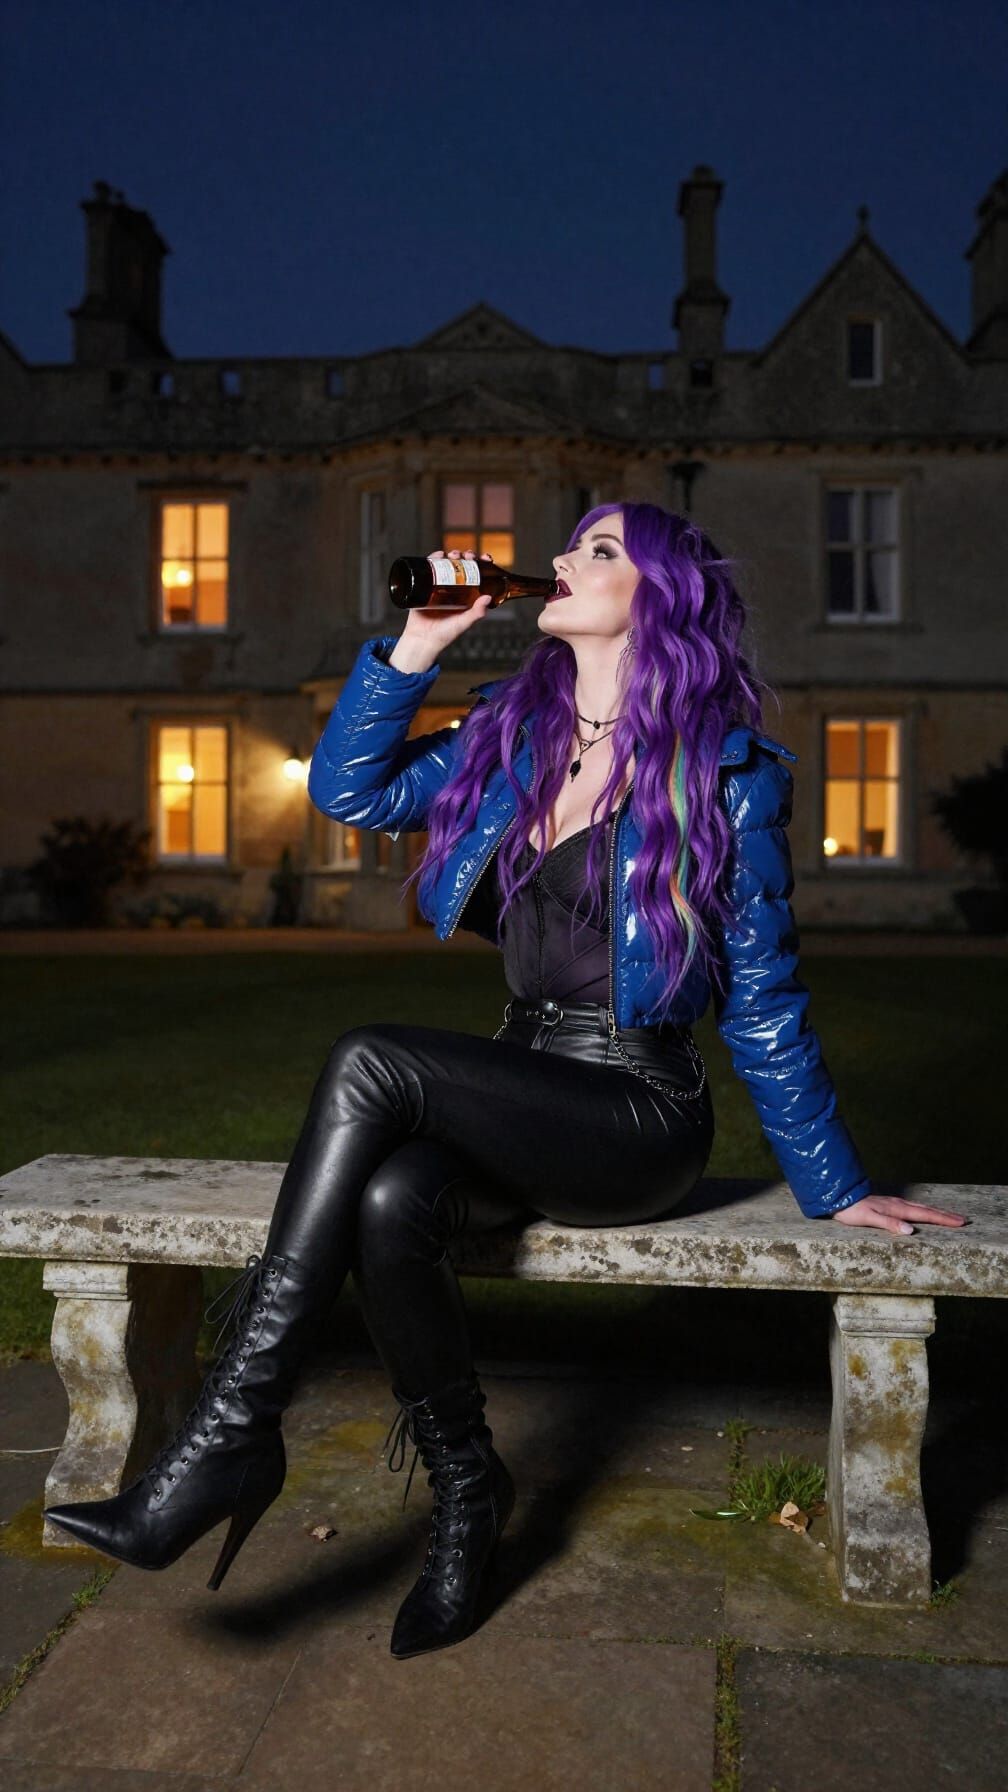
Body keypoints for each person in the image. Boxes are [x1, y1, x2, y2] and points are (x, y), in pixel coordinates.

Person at [45, 503, 967, 1659]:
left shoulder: (727, 771)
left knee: (371, 1056)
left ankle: (232, 1436)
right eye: (572, 542)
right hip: (524, 1083)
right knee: (393, 1200)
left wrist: (835, 1184)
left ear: (661, 595)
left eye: (601, 550)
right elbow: (350, 793)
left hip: (636, 1110)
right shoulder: (511, 733)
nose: (566, 558)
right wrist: (416, 646)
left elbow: (766, 997)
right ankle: (470, 1492)